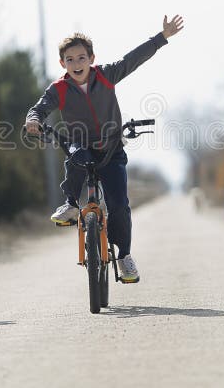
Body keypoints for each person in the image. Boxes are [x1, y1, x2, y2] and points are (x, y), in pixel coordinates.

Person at [25, 15, 184, 283]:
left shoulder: (107, 75)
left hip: (111, 148)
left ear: (91, 58)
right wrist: (33, 120)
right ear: (62, 63)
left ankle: (124, 257)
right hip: (82, 145)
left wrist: (161, 38)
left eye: (81, 58)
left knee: (119, 204)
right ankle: (72, 204)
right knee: (76, 157)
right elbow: (39, 108)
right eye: (70, 60)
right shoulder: (59, 89)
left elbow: (132, 60)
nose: (77, 64)